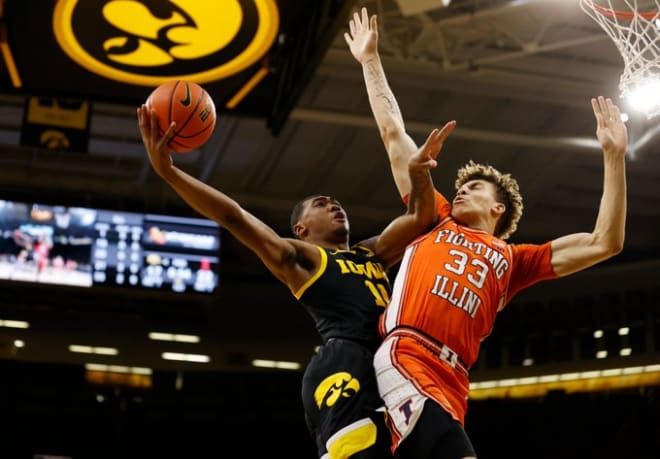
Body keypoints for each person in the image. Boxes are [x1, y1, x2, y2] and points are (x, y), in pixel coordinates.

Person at [345, 7, 628, 459]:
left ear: (498, 207)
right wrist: (370, 61)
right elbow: (392, 134)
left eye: (472, 188)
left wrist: (613, 157)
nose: (459, 192)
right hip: (408, 353)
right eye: (458, 186)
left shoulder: (515, 261)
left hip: (455, 380)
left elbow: (605, 242)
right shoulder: (434, 216)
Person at [137, 104, 454, 458]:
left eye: (336, 202)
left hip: (388, 365)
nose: (335, 205)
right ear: (301, 230)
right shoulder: (302, 259)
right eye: (322, 203)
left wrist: (420, 173)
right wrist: (169, 172)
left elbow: (422, 218)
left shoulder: (372, 253)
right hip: (343, 365)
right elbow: (234, 217)